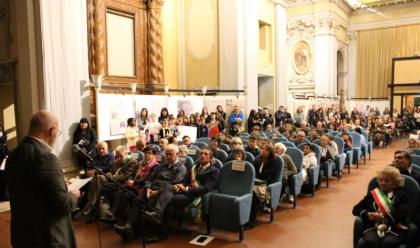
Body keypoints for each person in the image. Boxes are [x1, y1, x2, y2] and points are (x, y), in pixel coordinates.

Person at [6, 110, 80, 248]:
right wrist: (73, 194)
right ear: (52, 131)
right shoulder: (45, 156)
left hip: (22, 236)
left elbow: (29, 187)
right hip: (48, 238)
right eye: (58, 133)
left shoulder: (13, 155)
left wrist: (58, 183)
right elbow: (63, 204)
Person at [352, 166, 411, 248]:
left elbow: (403, 212)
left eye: (387, 181)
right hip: (373, 227)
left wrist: (384, 218)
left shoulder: (401, 196)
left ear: (394, 184)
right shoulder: (372, 195)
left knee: (387, 243)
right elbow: (356, 209)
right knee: (370, 241)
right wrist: (368, 215)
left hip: (395, 228)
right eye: (381, 180)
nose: (383, 183)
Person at [248, 144, 280, 227]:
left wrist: (256, 176)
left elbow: (267, 175)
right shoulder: (258, 159)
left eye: (266, 149)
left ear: (270, 152)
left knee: (254, 194)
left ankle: (251, 221)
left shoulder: (275, 161)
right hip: (256, 181)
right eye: (262, 149)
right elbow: (252, 171)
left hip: (266, 184)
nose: (263, 150)